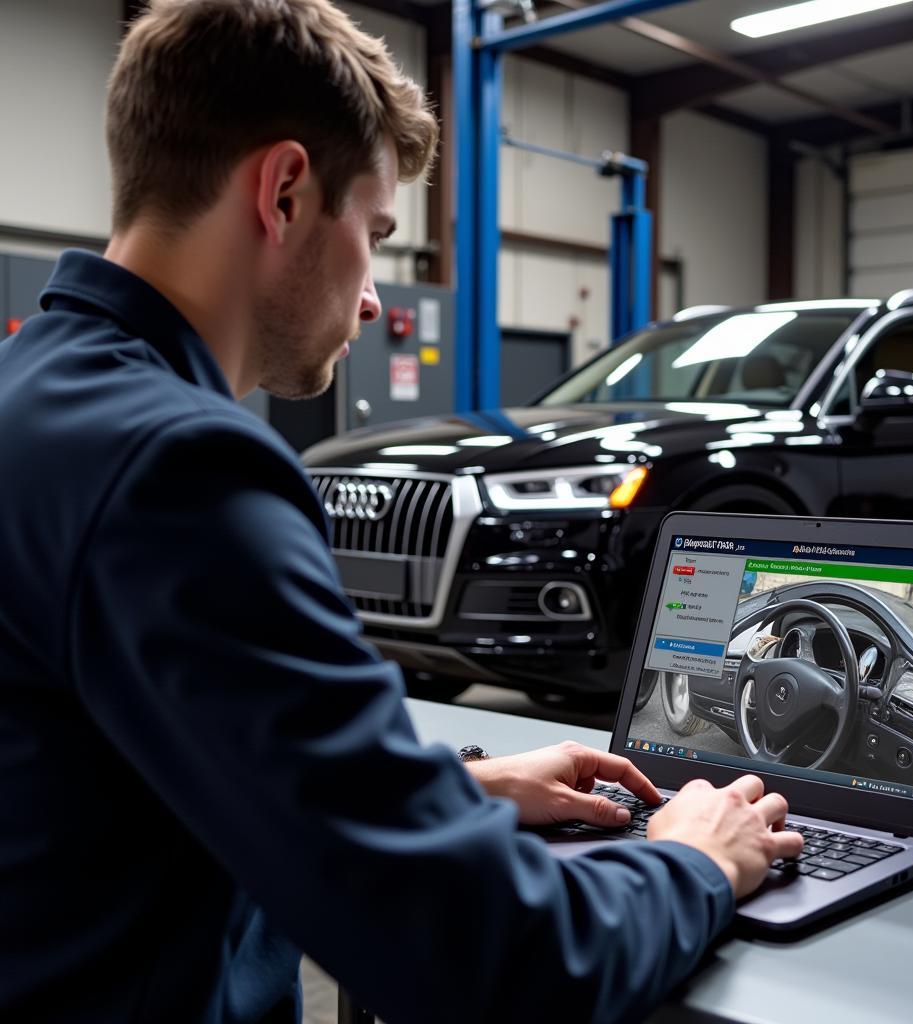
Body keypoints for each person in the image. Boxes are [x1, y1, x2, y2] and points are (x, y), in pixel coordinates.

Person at [0, 2, 802, 1021]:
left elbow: (142, 768)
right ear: (285, 191)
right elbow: (484, 954)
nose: (376, 297)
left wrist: (449, 795)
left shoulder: (31, 397)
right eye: (374, 233)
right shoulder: (178, 468)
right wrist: (693, 862)